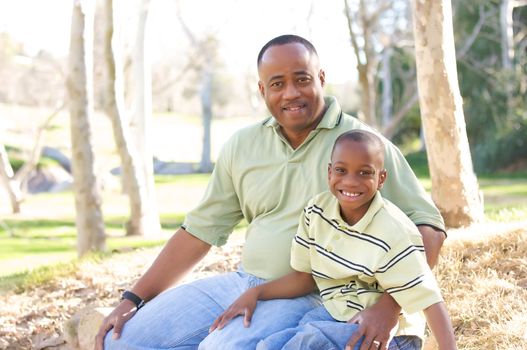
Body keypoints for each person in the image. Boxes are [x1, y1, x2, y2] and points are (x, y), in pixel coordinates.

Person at [96, 34, 447, 350]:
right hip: (244, 282)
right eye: (277, 83)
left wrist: (389, 306)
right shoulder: (243, 145)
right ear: (262, 91)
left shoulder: (362, 148)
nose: (291, 93)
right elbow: (198, 233)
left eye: (302, 79)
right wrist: (132, 299)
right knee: (121, 342)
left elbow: (428, 230)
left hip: (316, 292)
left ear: (321, 79)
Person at [209, 130, 457, 350]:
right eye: (341, 170)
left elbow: (430, 299)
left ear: (381, 179)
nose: (350, 181)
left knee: (304, 344)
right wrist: (256, 292)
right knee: (269, 345)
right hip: (334, 314)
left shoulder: (394, 231)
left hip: (389, 335)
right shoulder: (316, 212)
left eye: (364, 173)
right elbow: (303, 278)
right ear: (329, 172)